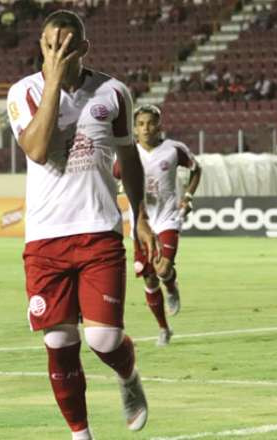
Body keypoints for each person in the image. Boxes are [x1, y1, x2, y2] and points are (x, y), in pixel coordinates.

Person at [6, 10, 155, 440]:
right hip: (45, 238)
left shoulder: (113, 92)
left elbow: (129, 158)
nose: (57, 51)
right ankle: (81, 434)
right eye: (49, 44)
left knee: (105, 341)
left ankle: (128, 378)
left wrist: (140, 214)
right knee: (59, 343)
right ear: (41, 46)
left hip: (98, 230)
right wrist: (53, 80)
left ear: (83, 49)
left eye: (66, 45)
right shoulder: (23, 92)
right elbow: (36, 149)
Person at [114, 105, 201, 346]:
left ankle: (171, 286)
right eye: (141, 124)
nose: (146, 128)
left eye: (151, 123)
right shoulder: (126, 153)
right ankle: (164, 328)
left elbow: (197, 169)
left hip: (167, 218)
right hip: (141, 225)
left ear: (159, 125)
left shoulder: (173, 149)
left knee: (163, 270)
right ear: (134, 128)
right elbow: (116, 177)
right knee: (150, 281)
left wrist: (188, 197)